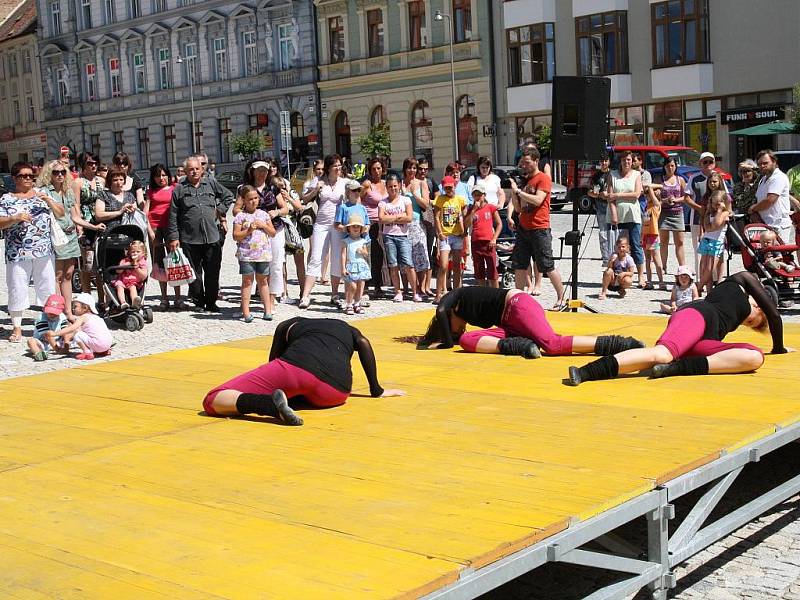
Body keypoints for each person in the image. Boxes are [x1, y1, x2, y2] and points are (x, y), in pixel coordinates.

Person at [567, 271, 786, 386]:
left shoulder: (737, 312)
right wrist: (779, 348)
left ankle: (677, 367)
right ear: (759, 303)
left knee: (755, 357)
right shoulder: (741, 280)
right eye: (753, 319)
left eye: (750, 325)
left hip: (705, 341)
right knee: (661, 354)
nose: (748, 321)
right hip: (698, 315)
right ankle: (587, 371)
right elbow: (775, 317)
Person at [203, 316, 405, 426]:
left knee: (212, 399)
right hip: (335, 392)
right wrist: (376, 390)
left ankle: (268, 406)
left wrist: (274, 380)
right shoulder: (349, 329)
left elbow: (273, 361)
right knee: (299, 394)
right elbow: (364, 343)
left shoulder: (288, 325)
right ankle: (283, 404)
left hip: (296, 369)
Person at [405, 286, 643, 358]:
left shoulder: (454, 299)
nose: (460, 329)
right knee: (467, 341)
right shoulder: (463, 317)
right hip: (510, 324)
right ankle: (519, 346)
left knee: (552, 345)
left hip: (518, 305)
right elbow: (464, 336)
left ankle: (616, 344)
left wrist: (446, 343)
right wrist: (454, 340)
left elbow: (440, 308)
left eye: (452, 329)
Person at [0, 161, 62, 342]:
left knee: (47, 287)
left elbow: (61, 213)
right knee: (17, 288)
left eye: (30, 176)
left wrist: (49, 200)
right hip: (17, 251)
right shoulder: (6, 199)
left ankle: (48, 324)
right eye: (23, 176)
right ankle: (17, 328)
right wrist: (14, 217)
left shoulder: (42, 194)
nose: (28, 179)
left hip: (43, 250)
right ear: (14, 178)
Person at [167, 156, 235, 312]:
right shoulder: (179, 189)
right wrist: (174, 237)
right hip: (190, 238)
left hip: (212, 236)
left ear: (202, 169)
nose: (194, 171)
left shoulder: (210, 183)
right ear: (185, 171)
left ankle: (211, 302)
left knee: (212, 271)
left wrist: (220, 210)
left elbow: (228, 196)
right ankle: (198, 302)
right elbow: (173, 215)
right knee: (194, 273)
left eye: (197, 168)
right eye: (190, 169)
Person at [508, 146, 566, 308]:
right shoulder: (526, 181)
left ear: (536, 161)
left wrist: (519, 192)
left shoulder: (543, 179)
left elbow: (538, 200)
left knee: (546, 265)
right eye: (522, 162)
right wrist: (514, 192)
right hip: (524, 228)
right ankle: (517, 300)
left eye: (527, 162)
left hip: (539, 228)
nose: (524, 165)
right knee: (519, 265)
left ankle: (561, 297)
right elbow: (519, 209)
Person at [233, 160, 289, 306]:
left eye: (264, 170)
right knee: (252, 266)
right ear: (253, 171)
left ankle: (272, 298)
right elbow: (236, 210)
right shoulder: (245, 189)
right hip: (253, 234)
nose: (262, 173)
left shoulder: (273, 188)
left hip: (273, 228)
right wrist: (250, 215)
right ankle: (249, 300)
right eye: (259, 170)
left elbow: (285, 209)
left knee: (276, 264)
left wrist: (275, 212)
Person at [299, 154, 350, 309]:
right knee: (316, 258)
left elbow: (355, 197)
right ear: (328, 168)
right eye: (335, 166)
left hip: (337, 225)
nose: (338, 168)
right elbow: (305, 199)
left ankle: (334, 294)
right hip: (320, 224)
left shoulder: (345, 183)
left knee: (336, 259)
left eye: (340, 165)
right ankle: (305, 296)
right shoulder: (319, 181)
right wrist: (316, 190)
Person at [39, 159, 87, 321]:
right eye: (55, 172)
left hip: (70, 235)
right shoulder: (45, 191)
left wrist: (90, 226)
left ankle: (68, 311)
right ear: (49, 175)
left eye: (62, 172)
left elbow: (75, 216)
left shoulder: (68, 191)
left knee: (68, 273)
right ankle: (56, 310)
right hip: (56, 236)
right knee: (57, 275)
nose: (59, 175)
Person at [232, 185, 276, 322]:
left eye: (256, 198)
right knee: (247, 281)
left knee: (263, 281)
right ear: (244, 200)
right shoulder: (240, 217)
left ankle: (267, 310)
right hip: (246, 254)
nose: (253, 201)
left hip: (262, 253)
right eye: (250, 199)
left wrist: (264, 226)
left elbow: (273, 233)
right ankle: (246, 312)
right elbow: (236, 235)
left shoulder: (264, 214)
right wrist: (248, 230)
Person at [144, 164, 183, 310]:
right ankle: (164, 297)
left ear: (168, 175)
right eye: (157, 175)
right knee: (159, 264)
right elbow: (145, 212)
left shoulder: (175, 188)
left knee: (175, 262)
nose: (161, 178)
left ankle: (178, 298)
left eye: (163, 175)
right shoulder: (151, 191)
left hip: (171, 228)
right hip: (155, 227)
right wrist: (150, 232)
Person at [607, 151, 645, 289]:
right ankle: (617, 275)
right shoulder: (613, 175)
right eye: (624, 160)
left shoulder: (636, 175)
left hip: (633, 215)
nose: (626, 162)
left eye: (629, 160)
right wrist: (614, 214)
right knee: (619, 247)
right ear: (620, 161)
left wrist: (618, 195)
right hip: (618, 215)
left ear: (632, 161)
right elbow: (610, 197)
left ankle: (640, 276)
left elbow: (636, 194)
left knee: (635, 246)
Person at [379, 173, 419, 303]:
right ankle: (397, 291)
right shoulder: (383, 202)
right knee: (393, 265)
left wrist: (391, 217)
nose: (393, 189)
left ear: (400, 185)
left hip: (403, 236)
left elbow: (409, 217)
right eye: (390, 186)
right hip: (389, 236)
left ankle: (414, 292)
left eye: (395, 186)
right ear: (387, 187)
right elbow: (382, 218)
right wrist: (397, 217)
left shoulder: (405, 200)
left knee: (408, 264)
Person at [71, 151, 106, 294]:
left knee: (100, 265)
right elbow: (76, 205)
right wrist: (79, 227)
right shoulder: (78, 182)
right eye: (90, 163)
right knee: (88, 264)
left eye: (95, 163)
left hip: (101, 222)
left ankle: (102, 299)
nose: (93, 165)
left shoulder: (101, 181)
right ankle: (87, 297)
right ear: (83, 165)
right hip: (86, 225)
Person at [44, 292, 112, 360]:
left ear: (85, 308)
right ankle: (103, 351)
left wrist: (55, 333)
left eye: (75, 306)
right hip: (107, 345)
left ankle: (87, 352)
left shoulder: (83, 317)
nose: (73, 309)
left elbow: (71, 328)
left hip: (98, 345)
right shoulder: (96, 317)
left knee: (78, 334)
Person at [433, 175, 467, 303]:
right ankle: (439, 293)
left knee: (457, 265)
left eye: (450, 187)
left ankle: (457, 292)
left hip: (457, 235)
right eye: (446, 188)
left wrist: (464, 232)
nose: (448, 190)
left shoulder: (460, 200)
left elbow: (464, 216)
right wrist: (439, 233)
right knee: (443, 265)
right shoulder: (440, 199)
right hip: (445, 235)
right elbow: (436, 217)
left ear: (455, 186)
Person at [401, 157, 431, 298]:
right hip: (402, 225)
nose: (412, 171)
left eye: (414, 168)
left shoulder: (421, 183)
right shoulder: (400, 184)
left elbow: (426, 204)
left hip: (417, 223)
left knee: (420, 257)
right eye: (409, 168)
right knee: (406, 257)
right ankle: (408, 288)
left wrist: (414, 194)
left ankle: (421, 288)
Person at [685, 151, 718, 276]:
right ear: (700, 164)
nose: (708, 164)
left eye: (710, 162)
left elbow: (726, 196)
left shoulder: (718, 177)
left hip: (715, 220)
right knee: (698, 249)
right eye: (705, 162)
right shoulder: (694, 178)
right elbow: (686, 198)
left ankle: (714, 278)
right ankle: (700, 278)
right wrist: (699, 208)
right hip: (697, 219)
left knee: (714, 249)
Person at [750, 149, 794, 243]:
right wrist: (755, 213)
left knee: (780, 256)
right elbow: (759, 200)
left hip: (778, 226)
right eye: (760, 164)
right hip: (765, 225)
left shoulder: (779, 177)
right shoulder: (763, 179)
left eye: (765, 163)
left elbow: (770, 200)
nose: (762, 166)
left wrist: (753, 209)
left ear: (774, 162)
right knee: (767, 256)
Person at [360, 157, 387, 300]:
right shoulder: (367, 184)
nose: (376, 171)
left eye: (379, 168)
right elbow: (358, 199)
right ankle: (364, 287)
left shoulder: (385, 183)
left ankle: (378, 285)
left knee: (379, 256)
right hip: (369, 223)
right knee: (366, 255)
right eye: (373, 169)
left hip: (383, 224)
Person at [465, 183, 502, 287]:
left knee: (492, 273)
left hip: (489, 242)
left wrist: (494, 239)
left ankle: (495, 296)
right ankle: (482, 296)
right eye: (475, 195)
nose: (477, 197)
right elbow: (466, 224)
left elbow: (499, 224)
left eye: (479, 194)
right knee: (479, 273)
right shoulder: (471, 208)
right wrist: (473, 211)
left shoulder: (490, 208)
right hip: (476, 242)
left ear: (484, 195)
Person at [697, 190, 731, 296]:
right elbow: (707, 227)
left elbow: (715, 225)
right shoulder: (709, 213)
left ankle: (698, 287)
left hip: (716, 242)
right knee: (703, 266)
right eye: (714, 203)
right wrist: (708, 213)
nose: (716, 206)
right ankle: (709, 292)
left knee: (710, 268)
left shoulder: (725, 213)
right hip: (706, 240)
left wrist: (720, 210)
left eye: (718, 204)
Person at [657, 157, 687, 273]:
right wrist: (664, 200)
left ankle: (682, 266)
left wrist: (677, 200)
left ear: (676, 167)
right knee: (663, 242)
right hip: (664, 213)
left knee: (679, 242)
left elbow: (686, 196)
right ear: (664, 167)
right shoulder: (660, 180)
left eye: (672, 166)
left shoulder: (680, 180)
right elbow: (656, 198)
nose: (670, 168)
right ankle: (663, 266)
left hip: (677, 213)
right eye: (668, 166)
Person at [340, 214, 371, 315]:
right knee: (352, 286)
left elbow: (367, 254)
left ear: (361, 228)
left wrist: (362, 251)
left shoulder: (363, 241)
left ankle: (357, 303)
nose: (356, 228)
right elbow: (343, 255)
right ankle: (349, 303)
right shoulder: (346, 241)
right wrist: (343, 268)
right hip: (351, 266)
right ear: (349, 228)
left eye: (358, 226)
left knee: (361, 286)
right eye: (353, 226)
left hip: (361, 265)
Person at [26, 294, 68, 361]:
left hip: (58, 340)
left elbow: (66, 331)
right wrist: (57, 349)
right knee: (31, 341)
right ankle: (39, 353)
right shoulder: (41, 318)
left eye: (54, 312)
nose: (51, 314)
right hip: (42, 342)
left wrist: (66, 345)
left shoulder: (62, 317)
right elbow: (48, 335)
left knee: (72, 330)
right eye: (49, 312)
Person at [588, 153, 612, 264]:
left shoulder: (613, 174)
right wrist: (597, 195)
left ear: (609, 162)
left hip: (612, 205)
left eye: (606, 161)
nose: (604, 163)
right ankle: (606, 258)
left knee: (613, 232)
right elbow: (590, 192)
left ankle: (614, 255)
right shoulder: (596, 176)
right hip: (600, 206)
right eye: (602, 161)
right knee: (603, 232)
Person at [641, 180, 665, 290]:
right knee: (647, 259)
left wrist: (651, 188)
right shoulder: (647, 206)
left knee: (656, 259)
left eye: (649, 194)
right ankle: (649, 281)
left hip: (653, 235)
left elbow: (649, 187)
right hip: (646, 234)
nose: (648, 196)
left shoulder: (657, 205)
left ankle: (661, 281)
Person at [112, 240, 148, 309]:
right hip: (122, 280)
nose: (135, 253)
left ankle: (135, 302)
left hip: (133, 282)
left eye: (138, 252)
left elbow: (144, 276)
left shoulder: (142, 262)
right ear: (129, 253)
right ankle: (123, 302)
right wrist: (126, 265)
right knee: (119, 286)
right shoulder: (125, 260)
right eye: (133, 252)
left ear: (143, 253)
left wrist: (137, 268)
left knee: (132, 288)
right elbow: (118, 271)